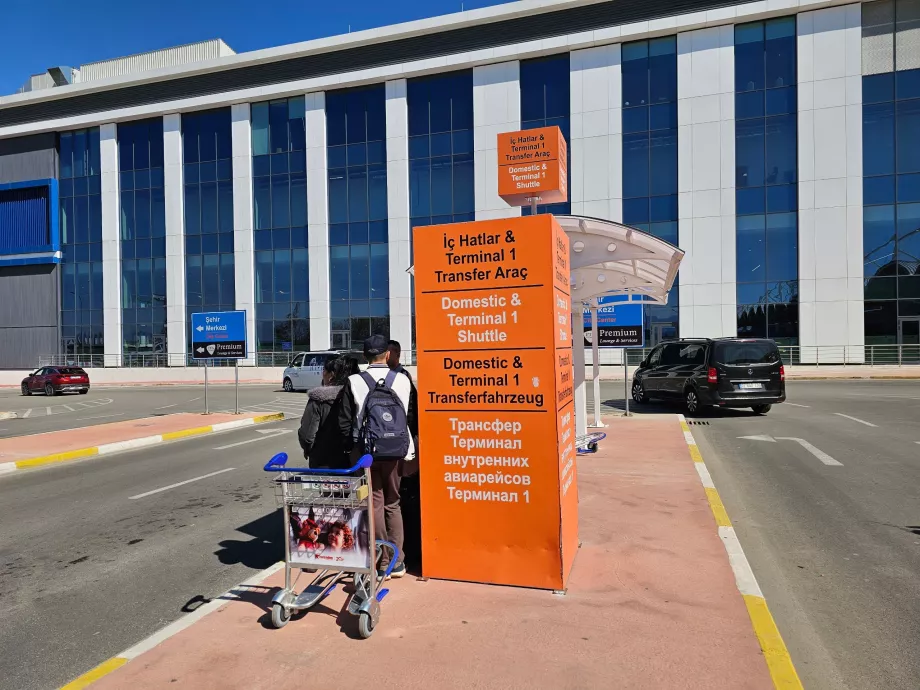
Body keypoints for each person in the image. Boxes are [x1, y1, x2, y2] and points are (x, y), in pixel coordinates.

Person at [338, 335, 416, 579]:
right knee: (394, 503)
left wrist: (348, 451)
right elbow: (411, 417)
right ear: (388, 355)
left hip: (366, 454)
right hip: (397, 451)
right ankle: (398, 561)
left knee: (375, 502)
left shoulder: (353, 381)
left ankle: (381, 560)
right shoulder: (403, 380)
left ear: (365, 356)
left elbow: (344, 422)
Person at [297, 356, 351, 470]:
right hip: (351, 459)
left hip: (322, 460)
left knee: (325, 488)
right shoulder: (353, 396)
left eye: (324, 370)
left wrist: (308, 450)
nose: (322, 374)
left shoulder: (318, 399)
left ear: (331, 375)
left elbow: (307, 435)